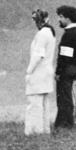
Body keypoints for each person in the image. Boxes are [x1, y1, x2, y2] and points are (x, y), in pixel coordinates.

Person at [24, 8, 56, 136]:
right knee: (44, 104)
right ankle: (44, 130)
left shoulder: (42, 34)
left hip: (38, 73)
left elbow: (38, 56)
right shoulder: (50, 33)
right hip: (46, 72)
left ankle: (35, 132)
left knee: (35, 104)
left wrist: (29, 71)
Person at [54, 5, 76, 130]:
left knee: (63, 98)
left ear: (68, 18)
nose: (59, 19)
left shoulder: (68, 34)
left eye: (61, 17)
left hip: (66, 69)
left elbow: (64, 57)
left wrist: (58, 72)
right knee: (66, 96)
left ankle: (65, 125)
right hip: (75, 68)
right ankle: (63, 124)